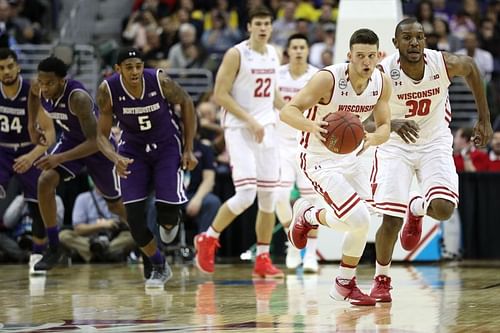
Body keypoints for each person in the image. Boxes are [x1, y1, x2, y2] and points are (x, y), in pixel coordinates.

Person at [371, 18, 492, 302]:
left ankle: (418, 208)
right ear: (395, 43)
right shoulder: (382, 73)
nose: (414, 42)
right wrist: (394, 123)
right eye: (407, 37)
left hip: (434, 141)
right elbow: (365, 119)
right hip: (395, 145)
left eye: (419, 37)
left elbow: (472, 67)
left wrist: (484, 120)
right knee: (390, 219)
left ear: (425, 40)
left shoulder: (442, 63)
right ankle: (381, 278)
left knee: (444, 208)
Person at [281, 28, 392, 306]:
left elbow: (385, 127)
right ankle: (344, 281)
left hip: (354, 156)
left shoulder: (381, 82)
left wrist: (375, 137)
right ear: (349, 56)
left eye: (371, 56)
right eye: (360, 56)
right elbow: (287, 111)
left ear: (378, 56)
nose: (366, 62)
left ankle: (311, 218)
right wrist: (311, 125)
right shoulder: (327, 79)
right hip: (318, 158)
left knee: (359, 222)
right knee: (360, 220)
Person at [194, 5, 285, 278]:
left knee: (269, 197)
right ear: (248, 26)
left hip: (266, 128)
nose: (263, 28)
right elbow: (220, 95)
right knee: (246, 195)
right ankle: (208, 238)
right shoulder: (236, 54)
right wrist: (251, 120)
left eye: (267, 23)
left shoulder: (273, 53)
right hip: (239, 129)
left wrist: (296, 112)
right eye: (258, 23)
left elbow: (274, 96)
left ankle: (263, 258)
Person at [95, 48, 197, 288]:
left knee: (167, 217)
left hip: (166, 146)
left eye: (138, 66)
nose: (134, 71)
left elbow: (187, 102)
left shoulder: (160, 80)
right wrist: (114, 157)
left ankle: (172, 217)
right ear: (118, 69)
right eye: (129, 67)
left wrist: (189, 148)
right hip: (132, 150)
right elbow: (100, 135)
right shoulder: (107, 90)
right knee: (134, 219)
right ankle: (159, 264)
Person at [27, 56, 127, 272]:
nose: (44, 87)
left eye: (49, 83)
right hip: (72, 140)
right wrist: (32, 126)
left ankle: (144, 240)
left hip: (99, 147)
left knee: (115, 205)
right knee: (45, 181)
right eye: (42, 82)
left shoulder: (77, 98)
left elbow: (94, 141)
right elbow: (33, 96)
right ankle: (54, 247)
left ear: (63, 81)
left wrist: (59, 158)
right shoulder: (39, 86)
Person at [0, 48, 55, 274]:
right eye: (1, 68)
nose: (6, 72)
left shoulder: (32, 91)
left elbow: (50, 134)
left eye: (10, 66)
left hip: (30, 150)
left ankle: (38, 255)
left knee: (38, 206)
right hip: (2, 151)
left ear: (18, 66)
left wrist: (31, 157)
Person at [274, 33, 320, 272]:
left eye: (303, 47)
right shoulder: (277, 75)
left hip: (307, 144)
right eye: (295, 47)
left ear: (308, 50)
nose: (299, 51)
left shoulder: (316, 76)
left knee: (311, 202)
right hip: (280, 144)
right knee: (280, 196)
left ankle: (311, 255)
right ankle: (293, 240)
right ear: (288, 51)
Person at [59, 181, 135, 263]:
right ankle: (105, 254)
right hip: (88, 240)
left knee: (133, 235)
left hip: (113, 239)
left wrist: (118, 223)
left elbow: (129, 223)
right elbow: (78, 229)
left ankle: (95, 254)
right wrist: (101, 225)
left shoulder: (120, 199)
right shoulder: (83, 198)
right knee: (64, 235)